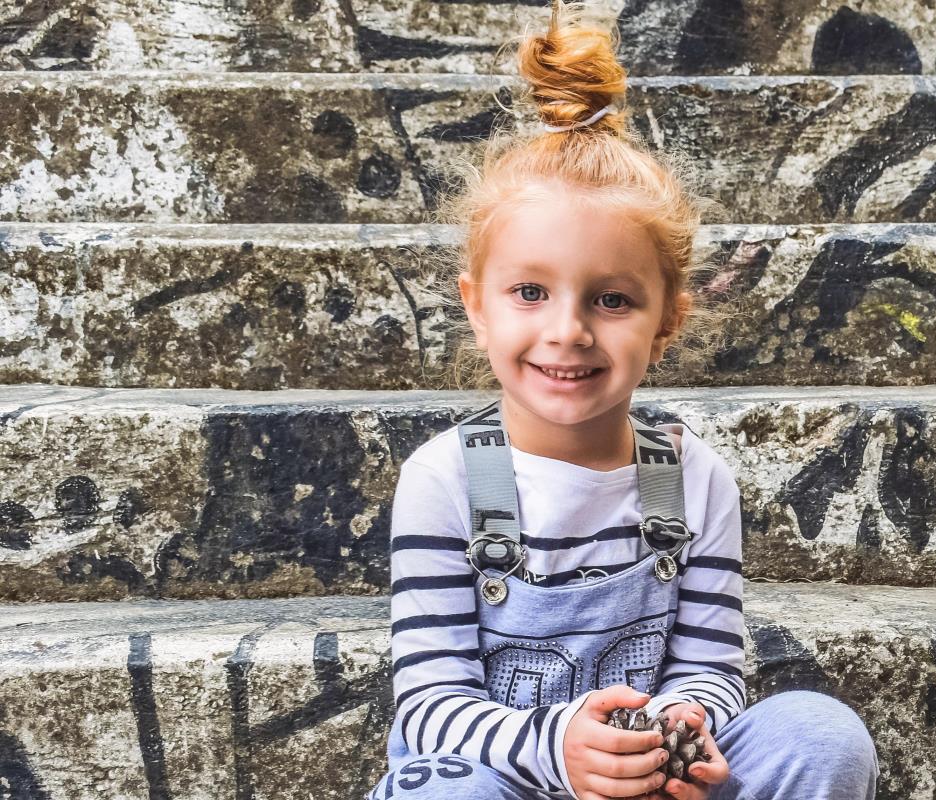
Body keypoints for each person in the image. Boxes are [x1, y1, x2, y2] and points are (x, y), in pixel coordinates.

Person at [362, 3, 878, 798]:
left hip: (649, 786)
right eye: (530, 292)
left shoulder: (691, 478)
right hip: (505, 777)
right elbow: (430, 705)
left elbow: (709, 670)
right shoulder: (447, 480)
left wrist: (678, 731)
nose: (567, 332)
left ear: (667, 316)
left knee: (818, 732)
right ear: (476, 305)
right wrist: (560, 746)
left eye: (611, 301)